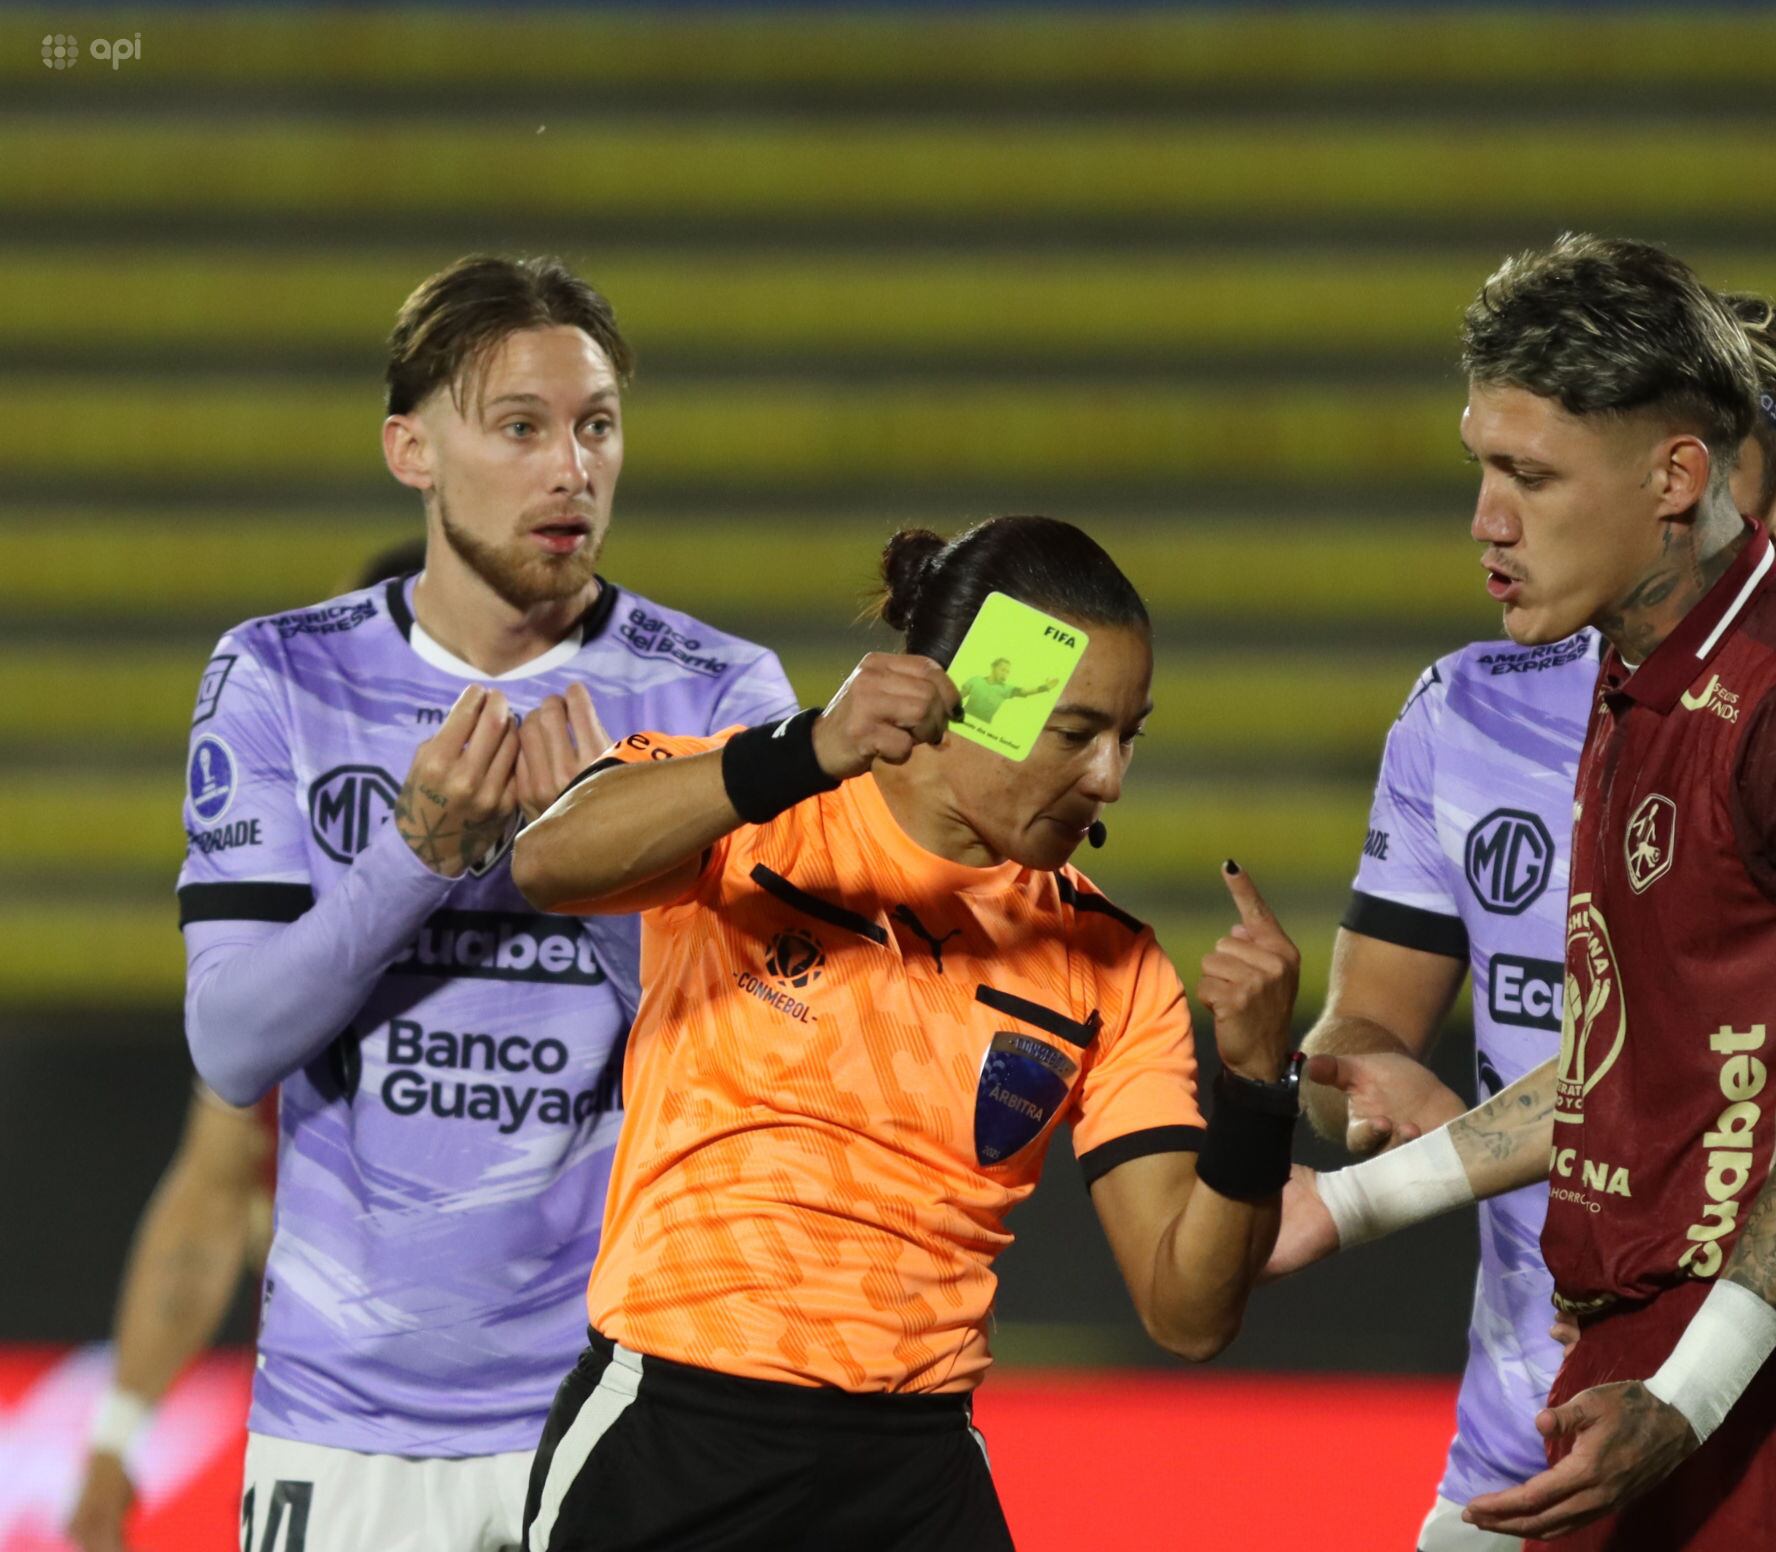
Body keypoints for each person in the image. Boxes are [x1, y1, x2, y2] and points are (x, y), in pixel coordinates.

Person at [1274, 234, 1776, 1549]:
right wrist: (1353, 1201)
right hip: (1617, 1373)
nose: (1487, 518)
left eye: (1530, 477)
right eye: (1483, 467)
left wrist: (1691, 1392)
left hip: (1766, 1389)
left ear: (1675, 476)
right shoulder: (1631, 680)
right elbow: (1637, 1058)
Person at [509, 515, 1304, 1551]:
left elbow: (1187, 1312)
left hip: (915, 1476)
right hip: (676, 1443)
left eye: (1130, 735)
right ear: (963, 700)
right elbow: (545, 863)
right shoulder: (757, 807)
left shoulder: (1113, 962)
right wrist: (808, 748)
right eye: (1077, 733)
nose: (1111, 777)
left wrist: (1254, 1091)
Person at [177, 257, 797, 1551]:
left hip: (624, 1397)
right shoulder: (281, 673)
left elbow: (774, 1062)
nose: (570, 467)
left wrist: (598, 871)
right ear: (412, 448)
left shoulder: (721, 698)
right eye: (521, 426)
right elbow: (233, 1046)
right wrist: (418, 855)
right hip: (344, 1421)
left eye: (597, 424)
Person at [69, 543, 424, 1552]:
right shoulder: (305, 929)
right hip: (369, 1437)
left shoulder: (614, 903)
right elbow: (218, 1191)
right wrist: (117, 1436)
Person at [956, 657, 1059, 725]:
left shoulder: (1006, 689)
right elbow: (957, 698)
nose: (1005, 674)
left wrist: (1045, 687)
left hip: (983, 725)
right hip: (963, 720)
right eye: (1003, 670)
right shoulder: (976, 680)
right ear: (993, 667)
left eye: (1007, 672)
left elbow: (1024, 691)